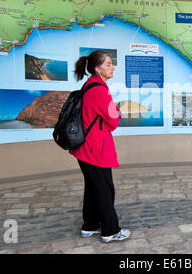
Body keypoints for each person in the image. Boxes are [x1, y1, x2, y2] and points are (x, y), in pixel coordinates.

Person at [70, 50, 130, 243]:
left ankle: (90, 225)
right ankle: (110, 230)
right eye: (108, 64)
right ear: (97, 69)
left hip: (85, 149)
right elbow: (113, 121)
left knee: (93, 187)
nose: (112, 67)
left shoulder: (89, 85)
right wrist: (118, 111)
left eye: (111, 64)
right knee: (105, 189)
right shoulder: (100, 90)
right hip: (96, 149)